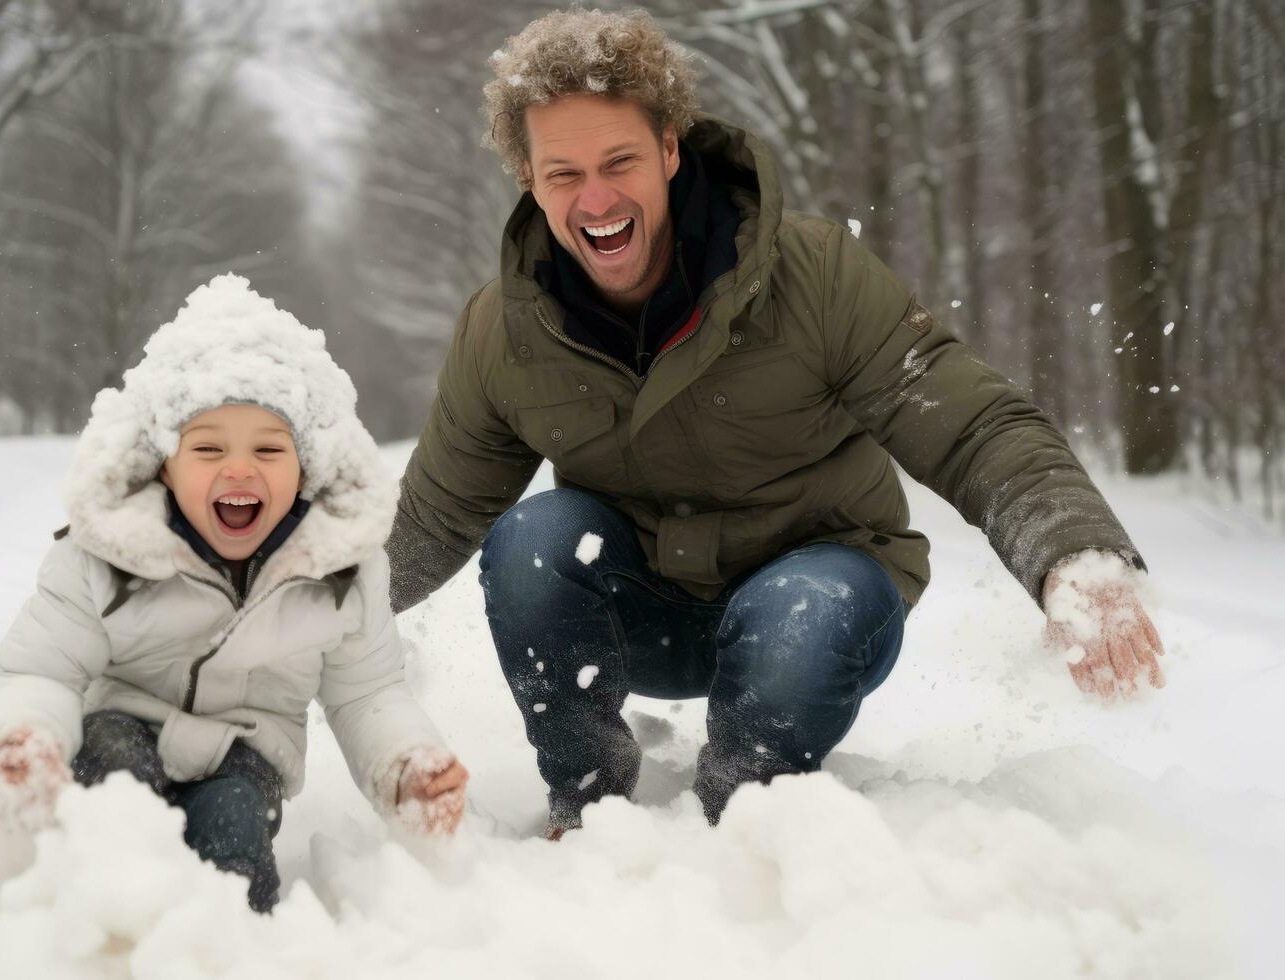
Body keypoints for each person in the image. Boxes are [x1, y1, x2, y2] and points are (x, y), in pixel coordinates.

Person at [386, 8, 1164, 835]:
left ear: (670, 148)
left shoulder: (815, 276)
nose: (598, 197)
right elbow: (435, 514)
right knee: (533, 541)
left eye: (619, 161)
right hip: (647, 604)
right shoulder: (505, 331)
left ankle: (743, 820)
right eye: (563, 174)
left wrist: (1073, 553)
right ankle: (588, 811)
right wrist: (293, 610)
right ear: (529, 180)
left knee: (800, 615)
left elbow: (971, 423)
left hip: (819, 600)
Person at [0, 274, 468, 911]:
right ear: (165, 463)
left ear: (305, 466)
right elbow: (39, 670)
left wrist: (406, 766)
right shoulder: (106, 554)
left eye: (269, 448)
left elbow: (368, 693)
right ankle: (104, 925)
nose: (239, 469)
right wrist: (22, 735)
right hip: (121, 729)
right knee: (117, 802)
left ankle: (233, 937)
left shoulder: (339, 572)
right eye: (209, 448)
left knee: (234, 828)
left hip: (246, 754)